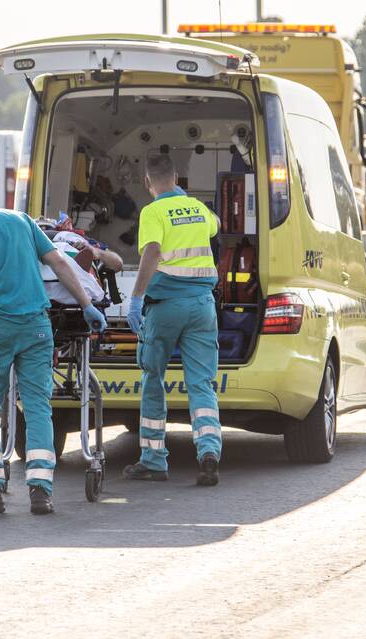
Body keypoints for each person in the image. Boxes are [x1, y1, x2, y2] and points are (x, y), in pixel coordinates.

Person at [0, 177, 107, 515]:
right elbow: (59, 262)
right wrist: (86, 305)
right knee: (38, 404)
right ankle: (41, 492)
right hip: (38, 325)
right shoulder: (19, 218)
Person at [123, 155, 223, 486]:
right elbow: (216, 226)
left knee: (154, 378)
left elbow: (151, 252)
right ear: (177, 177)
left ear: (147, 183)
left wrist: (136, 298)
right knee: (201, 383)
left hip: (165, 307)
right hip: (202, 306)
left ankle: (153, 460)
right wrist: (187, 203)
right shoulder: (197, 207)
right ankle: (208, 452)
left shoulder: (152, 212)